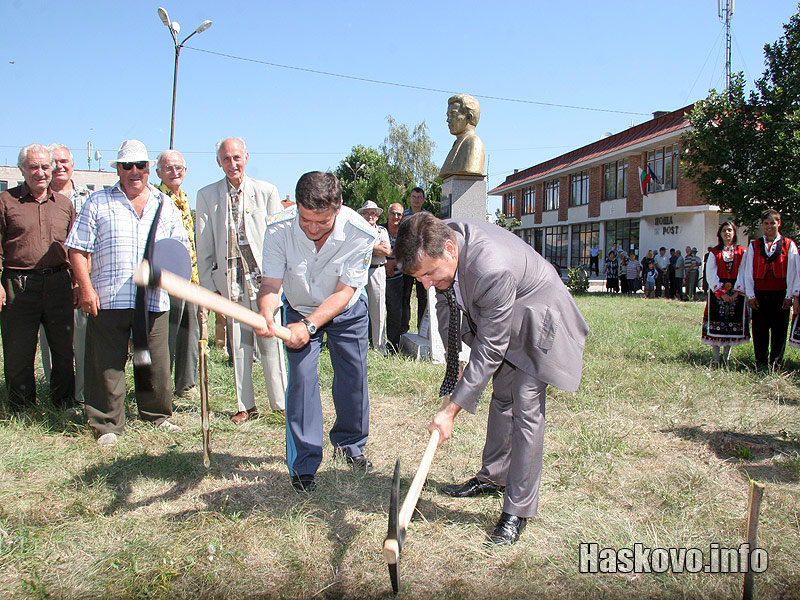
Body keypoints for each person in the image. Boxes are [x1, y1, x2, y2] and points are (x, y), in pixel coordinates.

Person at [394, 213, 589, 545]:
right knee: (502, 396)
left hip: (538, 314)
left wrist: (450, 411)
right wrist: (453, 361)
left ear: (451, 251)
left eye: (429, 273)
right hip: (502, 311)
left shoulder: (490, 268)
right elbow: (446, 306)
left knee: (525, 406)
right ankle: (494, 476)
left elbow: (490, 347)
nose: (425, 283)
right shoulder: (437, 242)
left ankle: (518, 510)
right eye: (418, 277)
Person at [257, 172, 376, 493]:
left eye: (321, 222)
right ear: (297, 207)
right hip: (298, 306)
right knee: (302, 382)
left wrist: (309, 327)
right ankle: (304, 462)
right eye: (306, 220)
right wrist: (268, 313)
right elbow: (270, 284)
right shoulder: (278, 228)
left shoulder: (359, 232)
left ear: (338, 209)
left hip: (345, 309)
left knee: (352, 376)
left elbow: (344, 291)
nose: (312, 229)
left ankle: (351, 444)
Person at [66, 140, 188, 446]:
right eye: (127, 166)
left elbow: (179, 250)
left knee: (153, 363)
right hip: (107, 298)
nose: (134, 172)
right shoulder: (97, 202)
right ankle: (107, 424)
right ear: (118, 169)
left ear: (149, 169)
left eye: (141, 166)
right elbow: (78, 250)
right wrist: (85, 288)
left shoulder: (165, 204)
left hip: (153, 300)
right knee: (106, 364)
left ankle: (157, 416)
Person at [195, 138, 287, 423]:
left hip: (264, 281)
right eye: (226, 158)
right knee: (238, 343)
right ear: (218, 162)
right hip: (229, 280)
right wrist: (212, 288)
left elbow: (279, 236)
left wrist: (281, 278)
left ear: (246, 157)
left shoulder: (266, 191)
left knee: (272, 340)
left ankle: (281, 403)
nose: (232, 164)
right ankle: (244, 405)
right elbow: (204, 244)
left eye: (236, 157)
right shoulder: (206, 195)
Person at [1, 144, 75, 411]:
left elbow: (74, 249)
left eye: (45, 166)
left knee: (64, 349)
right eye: (34, 167)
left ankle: (63, 402)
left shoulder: (65, 205)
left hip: (58, 283)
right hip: (18, 285)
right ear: (22, 169)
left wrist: (76, 284)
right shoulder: (5, 201)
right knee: (19, 350)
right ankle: (21, 407)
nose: (41, 172)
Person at [39, 143, 91, 405]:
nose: (60, 166)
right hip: (50, 280)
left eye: (64, 161)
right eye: (54, 162)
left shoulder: (88, 197)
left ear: (73, 163)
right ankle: (57, 393)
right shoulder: (40, 198)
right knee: (52, 341)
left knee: (82, 340)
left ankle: (81, 394)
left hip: (82, 281)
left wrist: (81, 283)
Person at [155, 149, 199, 398]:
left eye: (179, 168)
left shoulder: (184, 198)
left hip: (190, 278)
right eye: (169, 168)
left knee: (189, 334)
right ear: (158, 171)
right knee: (166, 336)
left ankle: (186, 385)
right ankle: (161, 386)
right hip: (166, 280)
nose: (174, 172)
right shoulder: (155, 199)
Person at [739, 208, 798, 368]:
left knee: (779, 331)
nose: (769, 226)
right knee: (759, 330)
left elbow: (793, 272)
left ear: (779, 223)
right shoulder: (754, 246)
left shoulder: (789, 244)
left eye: (773, 223)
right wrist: (750, 295)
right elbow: (748, 272)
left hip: (781, 294)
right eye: (766, 223)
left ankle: (776, 363)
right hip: (760, 294)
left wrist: (789, 295)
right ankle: (761, 362)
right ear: (762, 225)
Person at [702, 222, 749, 364]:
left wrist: (737, 292)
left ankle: (726, 358)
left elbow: (744, 271)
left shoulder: (742, 252)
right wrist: (721, 292)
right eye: (724, 230)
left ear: (734, 232)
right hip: (718, 292)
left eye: (729, 230)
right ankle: (716, 359)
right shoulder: (714, 252)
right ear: (720, 234)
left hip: (736, 291)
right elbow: (710, 273)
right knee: (716, 324)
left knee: (731, 325)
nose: (727, 233)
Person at [358, 200, 391, 355]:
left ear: (377, 216)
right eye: (366, 213)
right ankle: (360, 344)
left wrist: (368, 249)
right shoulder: (357, 230)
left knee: (378, 309)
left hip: (377, 271)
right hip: (359, 271)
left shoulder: (382, 231)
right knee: (358, 309)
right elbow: (356, 250)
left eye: (373, 213)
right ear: (362, 215)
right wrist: (376, 248)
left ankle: (379, 346)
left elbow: (387, 251)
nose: (370, 216)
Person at [439, 94, 486, 178]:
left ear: (469, 117)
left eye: (453, 114)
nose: (448, 120)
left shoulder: (473, 142)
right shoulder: (456, 144)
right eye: (448, 116)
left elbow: (471, 169)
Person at [402, 188, 430, 331]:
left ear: (423, 199)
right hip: (407, 262)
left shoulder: (428, 216)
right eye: (414, 197)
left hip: (423, 263)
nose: (416, 200)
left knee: (423, 297)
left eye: (419, 197)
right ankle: (404, 328)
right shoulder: (403, 215)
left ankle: (421, 329)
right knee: (405, 296)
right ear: (410, 198)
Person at [384, 203, 406, 352]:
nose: (396, 217)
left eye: (399, 214)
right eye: (393, 213)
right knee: (375, 312)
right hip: (377, 276)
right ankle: (374, 343)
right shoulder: (379, 229)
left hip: (397, 278)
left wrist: (393, 263)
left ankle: (393, 345)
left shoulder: (405, 233)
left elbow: (409, 252)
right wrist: (386, 263)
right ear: (388, 214)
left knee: (394, 313)